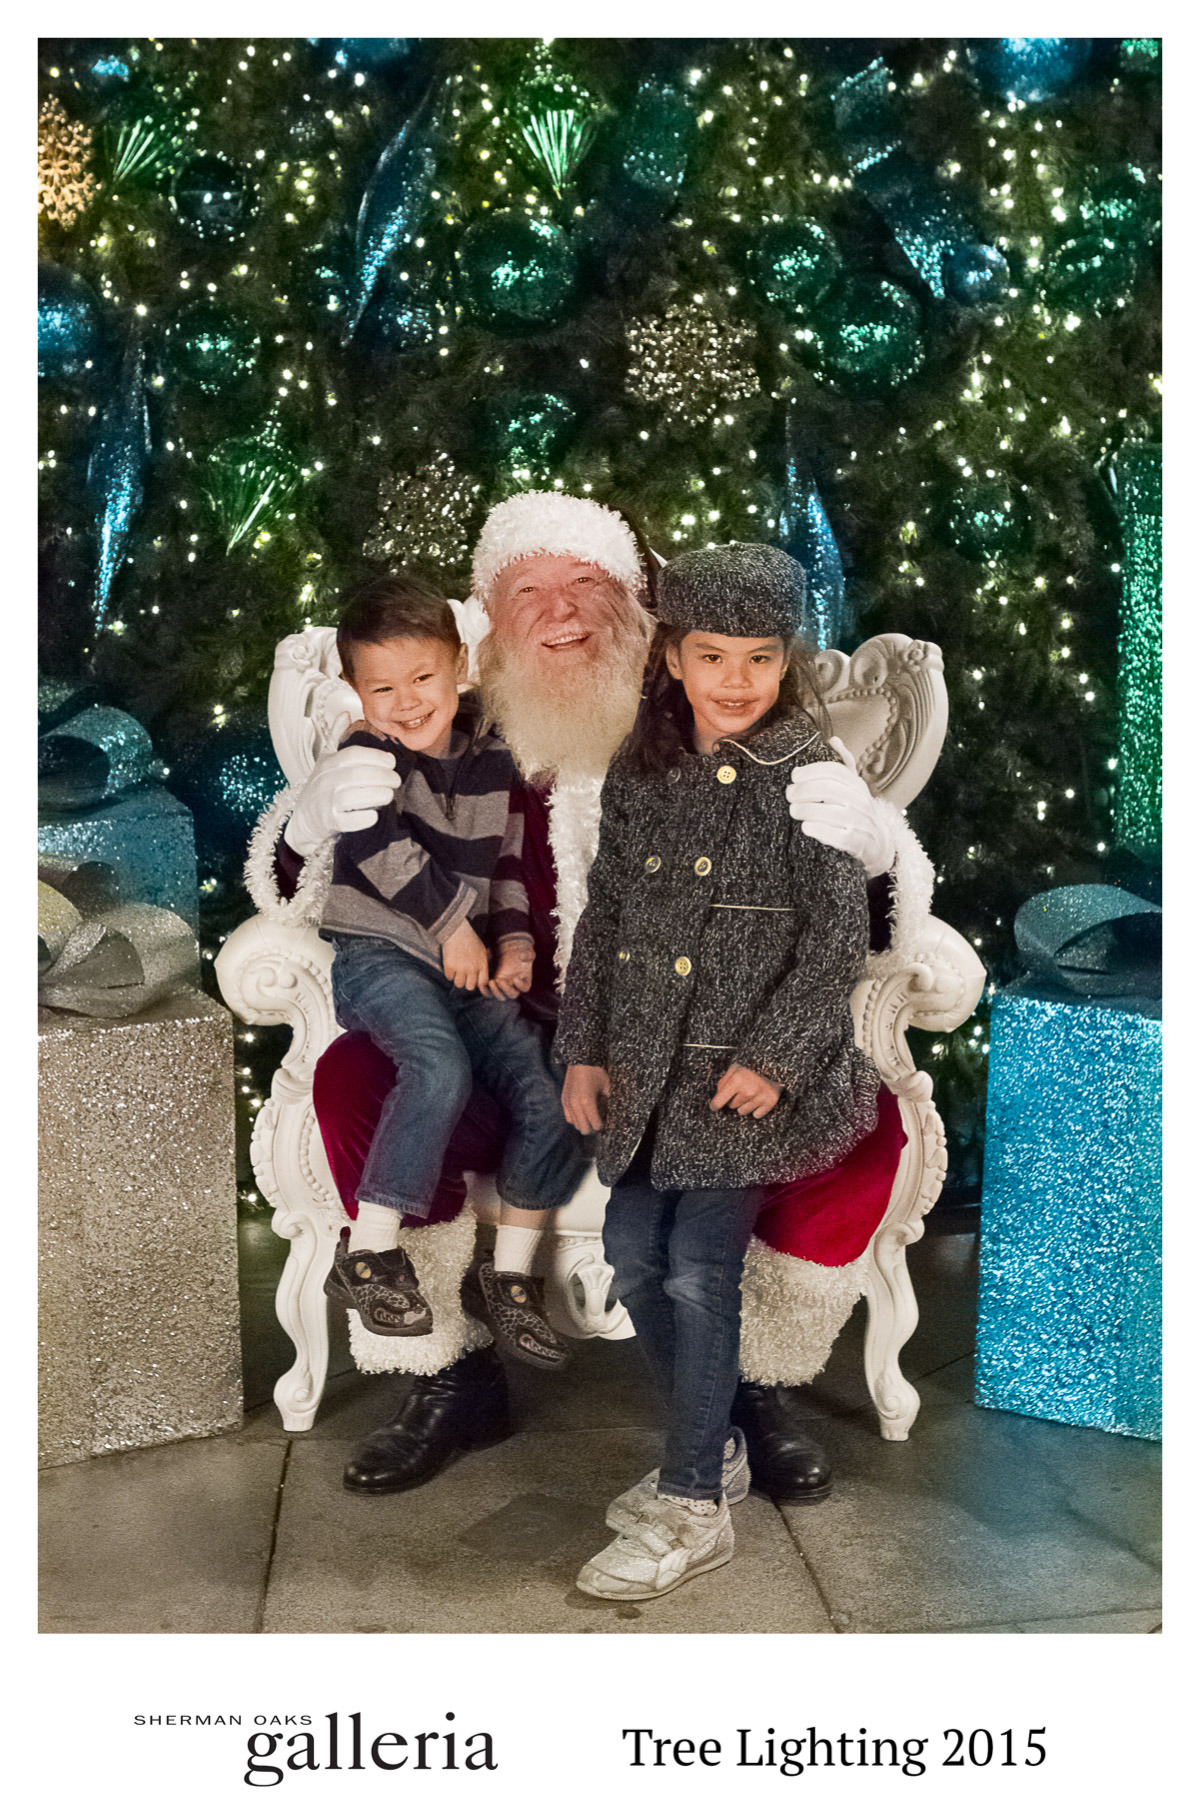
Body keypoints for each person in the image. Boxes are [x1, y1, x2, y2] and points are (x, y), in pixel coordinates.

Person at [248, 490, 927, 1499]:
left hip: (701, 1046)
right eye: (529, 591)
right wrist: (306, 825)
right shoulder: (445, 724)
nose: (561, 611)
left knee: (865, 1131)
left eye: (586, 584)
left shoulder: (709, 717)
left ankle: (753, 1382)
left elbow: (834, 918)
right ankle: (448, 1371)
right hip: (501, 1035)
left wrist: (877, 852)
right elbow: (329, 881)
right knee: (354, 1085)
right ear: (487, 620)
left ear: (641, 610)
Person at [557, 541, 880, 1599]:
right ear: (673, 657)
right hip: (650, 1073)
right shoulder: (642, 768)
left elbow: (834, 942)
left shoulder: (810, 777)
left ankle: (694, 1499)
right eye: (712, 656)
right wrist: (584, 1048)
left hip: (745, 1085)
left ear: (786, 661)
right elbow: (605, 917)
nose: (736, 681)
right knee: (631, 1254)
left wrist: (773, 1060)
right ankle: (723, 1446)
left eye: (759, 658)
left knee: (700, 1267)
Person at [318, 572, 588, 1368]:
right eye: (383, 688)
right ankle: (370, 1251)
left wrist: (516, 945)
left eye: (423, 678)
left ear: (459, 667)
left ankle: (509, 1278)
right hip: (381, 954)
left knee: (550, 1092)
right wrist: (450, 930)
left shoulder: (491, 755)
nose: (406, 703)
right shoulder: (367, 752)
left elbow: (505, 864)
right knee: (437, 1066)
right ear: (355, 690)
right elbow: (375, 848)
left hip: (463, 964)